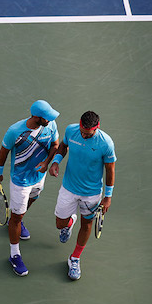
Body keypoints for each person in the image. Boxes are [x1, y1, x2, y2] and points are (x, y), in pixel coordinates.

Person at [0, 100, 60, 276]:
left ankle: (17, 218)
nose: (50, 120)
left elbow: (55, 145)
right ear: (37, 117)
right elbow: (4, 151)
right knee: (16, 216)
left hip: (39, 176)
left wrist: (47, 163)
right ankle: (14, 255)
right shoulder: (15, 131)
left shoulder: (51, 124)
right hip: (20, 181)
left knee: (31, 201)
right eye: (47, 117)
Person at [49, 111, 116, 280]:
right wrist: (56, 161)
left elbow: (110, 170)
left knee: (87, 225)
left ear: (96, 128)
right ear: (79, 124)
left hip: (91, 194)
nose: (84, 135)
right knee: (59, 224)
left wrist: (107, 197)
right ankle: (69, 222)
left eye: (88, 133)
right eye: (82, 132)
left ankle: (75, 258)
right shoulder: (72, 130)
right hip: (69, 188)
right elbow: (63, 146)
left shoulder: (106, 143)